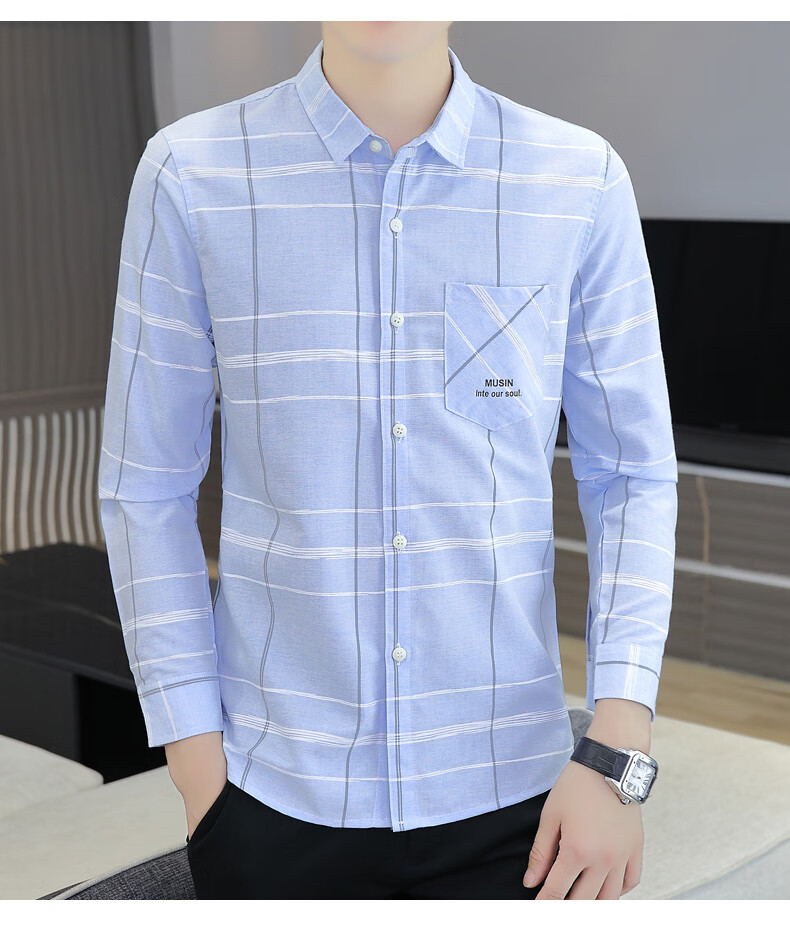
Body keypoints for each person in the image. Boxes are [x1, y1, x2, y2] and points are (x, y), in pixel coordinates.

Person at [98, 21, 678, 900]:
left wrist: (616, 750)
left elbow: (631, 475)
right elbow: (145, 486)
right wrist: (196, 766)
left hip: (520, 802)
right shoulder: (191, 172)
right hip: (269, 795)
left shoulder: (578, 179)